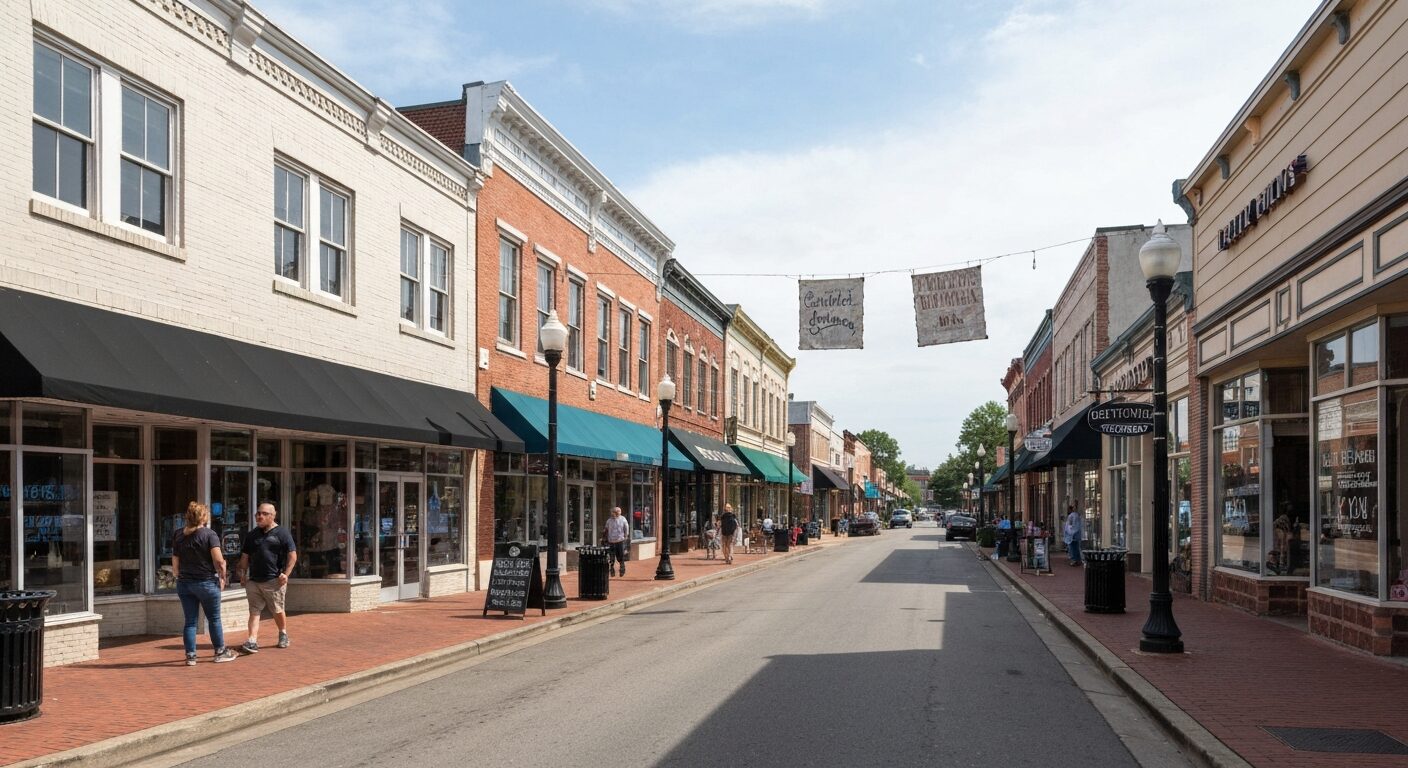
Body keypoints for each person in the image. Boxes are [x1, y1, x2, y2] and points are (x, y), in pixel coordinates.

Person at [172, 502, 237, 665]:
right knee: (214, 619)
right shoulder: (209, 535)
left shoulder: (178, 534)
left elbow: (175, 563)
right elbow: (219, 560)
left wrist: (179, 576)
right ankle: (220, 651)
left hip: (184, 584)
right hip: (206, 582)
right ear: (204, 517)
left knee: (190, 621)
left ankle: (191, 656)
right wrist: (223, 577)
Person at [238, 502, 298, 654]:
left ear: (272, 516)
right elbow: (245, 556)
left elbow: (292, 555)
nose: (260, 516)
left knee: (277, 610)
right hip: (254, 581)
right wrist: (243, 574)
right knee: (254, 611)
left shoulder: (282, 533)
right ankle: (252, 640)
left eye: (264, 514)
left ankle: (283, 633)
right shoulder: (252, 535)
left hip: (274, 580)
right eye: (258, 513)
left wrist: (286, 573)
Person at [605, 506, 631, 576]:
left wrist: (626, 536)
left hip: (620, 540)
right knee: (612, 557)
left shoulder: (623, 519)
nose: (613, 514)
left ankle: (622, 569)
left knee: (620, 556)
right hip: (611, 541)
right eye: (612, 512)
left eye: (615, 512)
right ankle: (612, 570)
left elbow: (626, 528)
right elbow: (606, 529)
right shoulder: (609, 520)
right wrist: (605, 538)